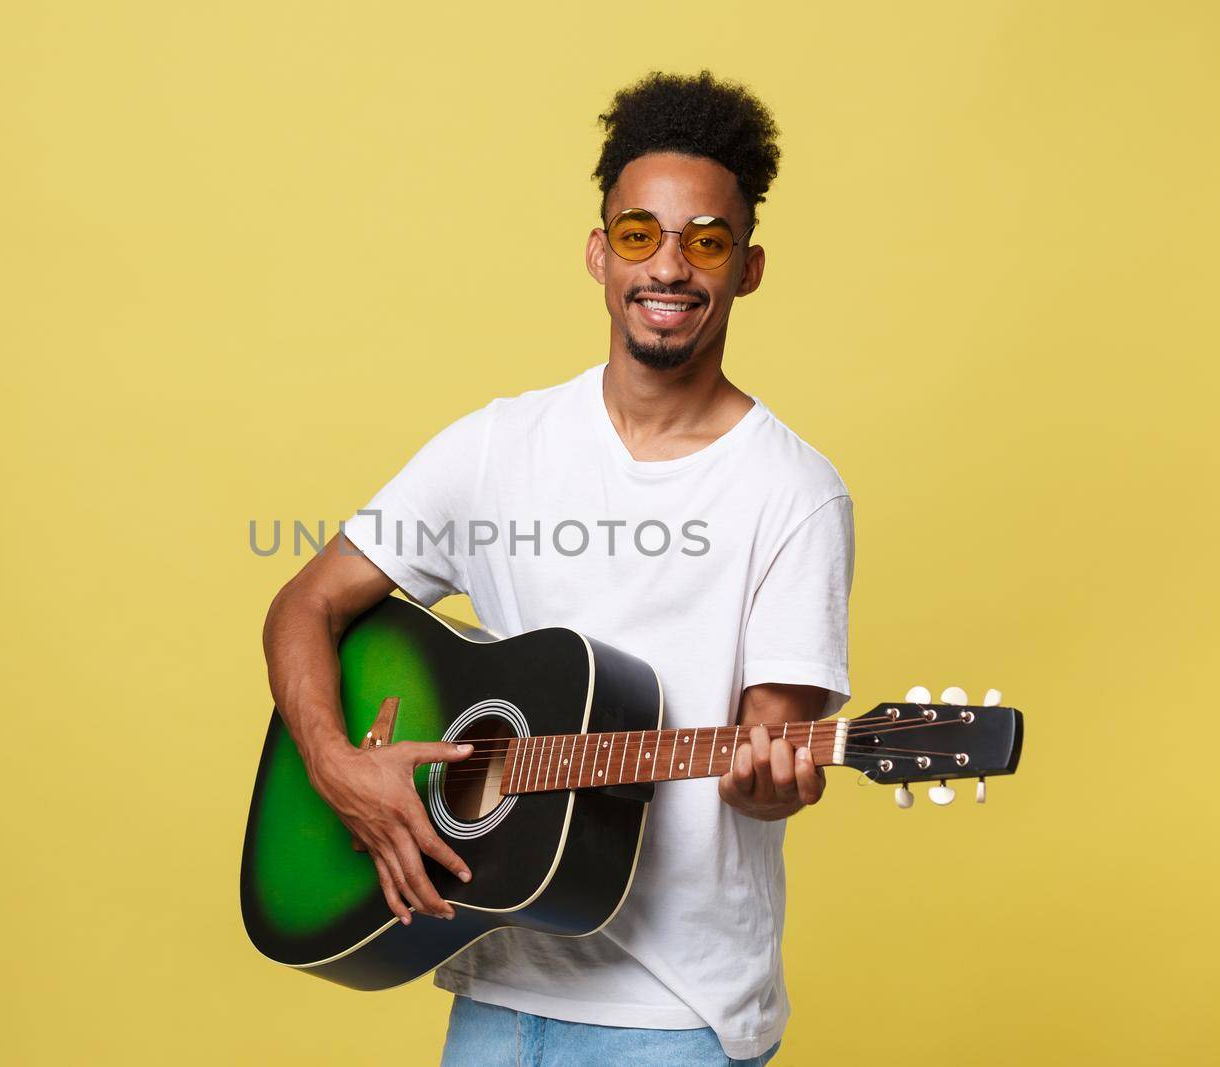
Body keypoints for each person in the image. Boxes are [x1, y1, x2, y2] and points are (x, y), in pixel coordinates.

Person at [262, 69, 853, 1066]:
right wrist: (338, 763)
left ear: (745, 267)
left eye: (704, 240)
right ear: (597, 252)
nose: (668, 267)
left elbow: (767, 756)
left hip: (678, 1014)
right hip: (493, 977)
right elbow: (304, 604)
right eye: (639, 235)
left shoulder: (793, 492)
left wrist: (776, 776)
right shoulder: (496, 446)